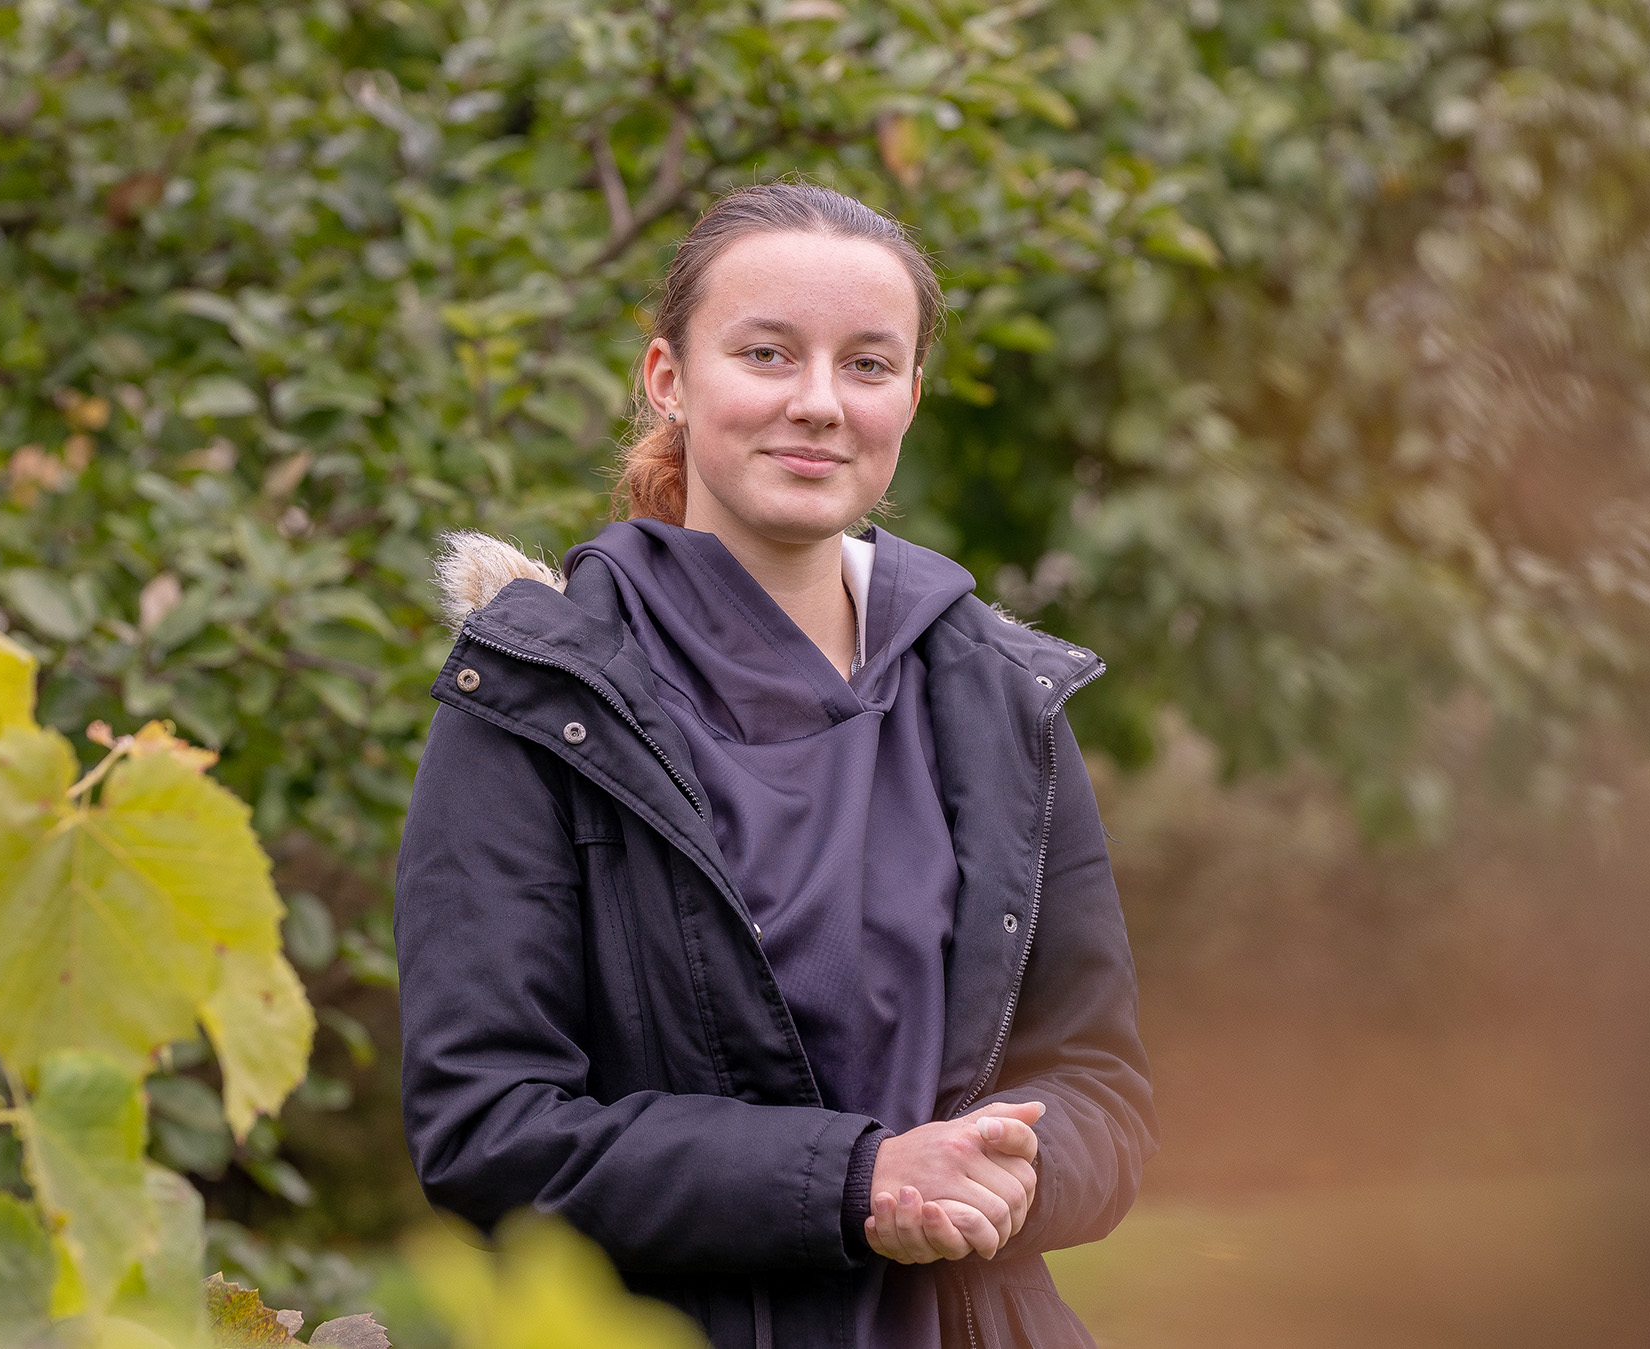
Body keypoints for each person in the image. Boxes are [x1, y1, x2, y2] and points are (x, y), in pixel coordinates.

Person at [394, 181, 1155, 1349]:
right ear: (667, 378)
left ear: (909, 395)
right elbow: (488, 1129)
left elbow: (1097, 1082)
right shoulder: (539, 698)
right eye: (765, 352)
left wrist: (1001, 1172)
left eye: (865, 364)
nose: (816, 403)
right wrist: (857, 1183)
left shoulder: (1000, 696)